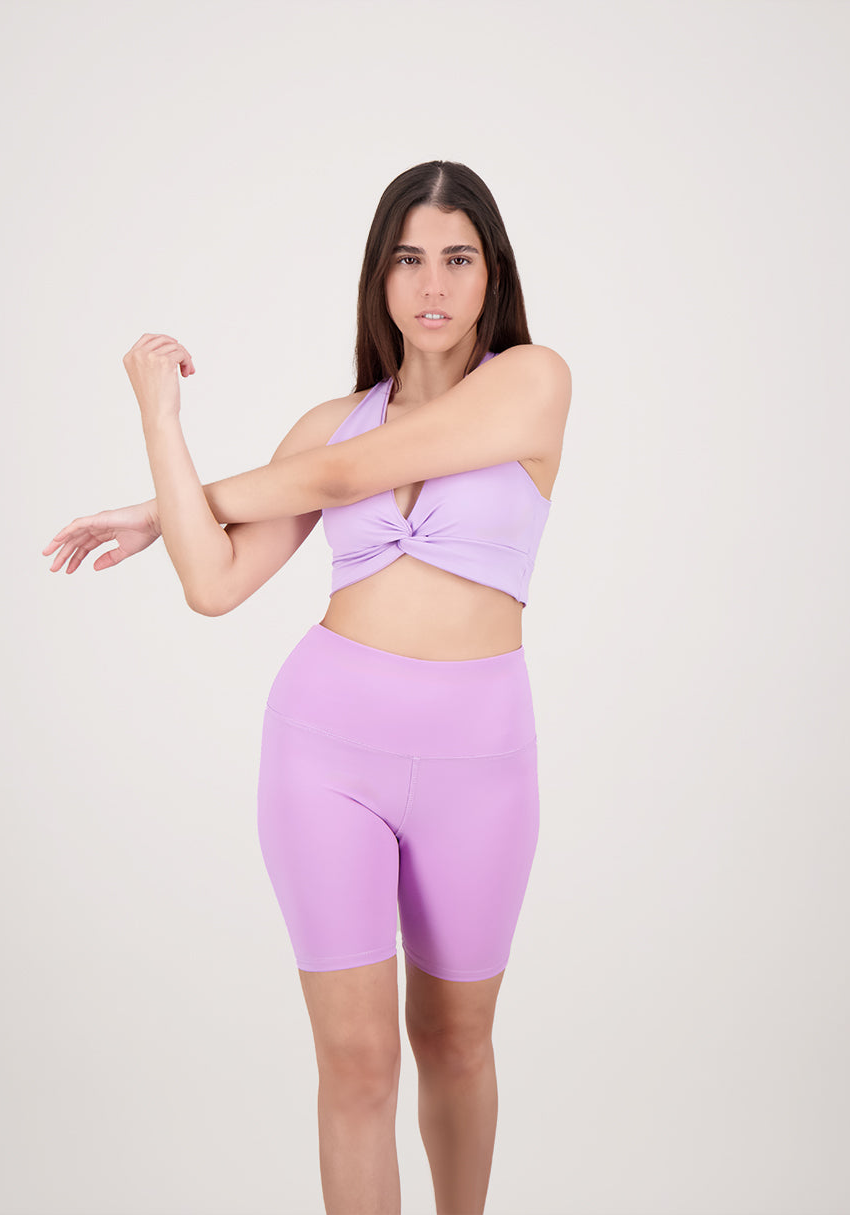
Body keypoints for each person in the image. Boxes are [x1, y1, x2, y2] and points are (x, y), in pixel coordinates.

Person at [43, 160, 571, 1215]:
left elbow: (339, 481)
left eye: (457, 259)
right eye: (408, 259)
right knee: (358, 1063)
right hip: (325, 754)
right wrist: (162, 423)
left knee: (457, 1043)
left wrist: (156, 507)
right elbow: (213, 582)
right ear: (379, 276)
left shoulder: (532, 380)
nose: (433, 284)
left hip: (480, 765)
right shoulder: (327, 423)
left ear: (492, 274)